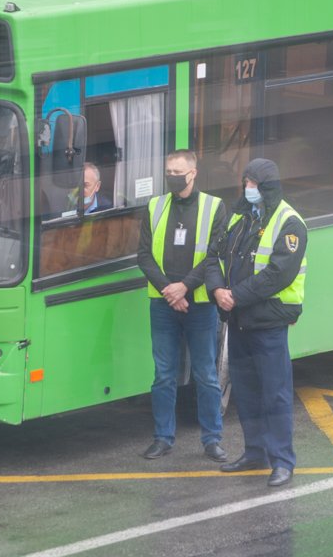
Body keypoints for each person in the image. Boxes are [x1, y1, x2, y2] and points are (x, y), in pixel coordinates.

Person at [205, 158, 307, 487]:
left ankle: (282, 461)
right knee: (247, 391)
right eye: (245, 182)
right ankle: (254, 452)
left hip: (268, 322)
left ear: (266, 188)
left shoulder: (290, 223)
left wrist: (235, 295)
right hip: (238, 320)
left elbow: (277, 275)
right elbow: (213, 256)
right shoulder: (239, 216)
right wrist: (217, 289)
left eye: (253, 183)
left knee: (275, 394)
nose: (247, 188)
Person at [137, 149, 228, 462]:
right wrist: (168, 290)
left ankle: (212, 440)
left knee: (206, 375)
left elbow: (215, 256)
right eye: (168, 171)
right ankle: (163, 438)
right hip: (163, 304)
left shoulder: (214, 207)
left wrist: (184, 287)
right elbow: (144, 256)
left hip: (200, 305)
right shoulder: (154, 206)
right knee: (163, 374)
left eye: (177, 172)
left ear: (193, 173)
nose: (172, 177)